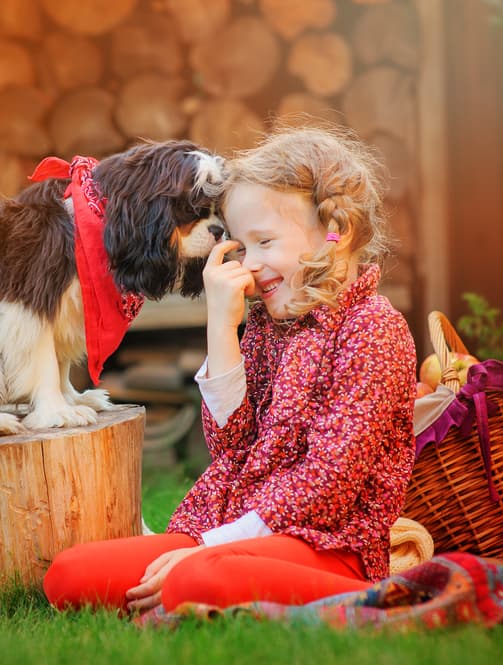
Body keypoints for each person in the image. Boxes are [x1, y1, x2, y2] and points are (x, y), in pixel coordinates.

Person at [42, 125, 417, 616]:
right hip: (235, 532)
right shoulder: (264, 325)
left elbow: (329, 482)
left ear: (336, 233)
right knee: (68, 576)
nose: (252, 266)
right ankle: (196, 585)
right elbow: (229, 445)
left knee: (197, 577)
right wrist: (221, 325)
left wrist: (208, 548)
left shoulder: (373, 330)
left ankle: (215, 586)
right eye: (242, 246)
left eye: (265, 242)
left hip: (327, 549)